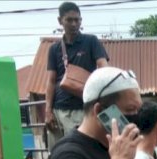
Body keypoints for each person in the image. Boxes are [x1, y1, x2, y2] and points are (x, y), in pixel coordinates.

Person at [45, 1, 109, 148]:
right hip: (58, 110)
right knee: (56, 152)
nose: (74, 24)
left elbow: (103, 67)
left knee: (78, 150)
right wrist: (48, 111)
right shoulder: (54, 49)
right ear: (60, 21)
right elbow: (51, 80)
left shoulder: (91, 41)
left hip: (81, 109)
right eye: (69, 20)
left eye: (77, 20)